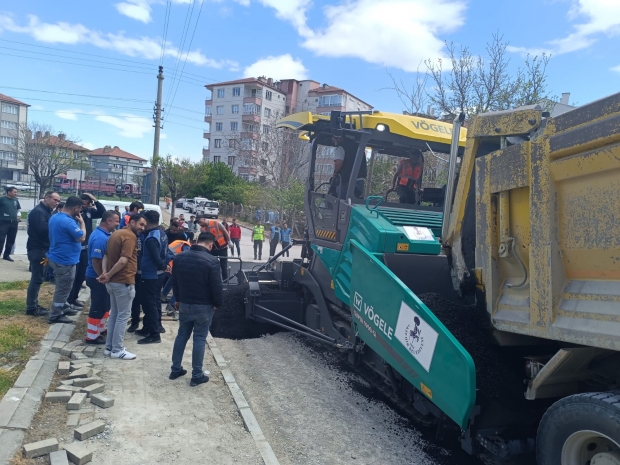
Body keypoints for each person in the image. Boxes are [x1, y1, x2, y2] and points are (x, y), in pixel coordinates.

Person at [169, 232, 223, 386]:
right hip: (203, 306)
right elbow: (216, 286)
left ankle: (175, 369)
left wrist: (177, 299)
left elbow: (174, 281)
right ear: (210, 244)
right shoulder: (212, 261)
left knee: (181, 335)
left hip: (185, 303)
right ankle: (196, 375)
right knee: (199, 339)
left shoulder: (179, 257)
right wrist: (218, 303)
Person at [97, 213, 146, 360]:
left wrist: (105, 273)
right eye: (141, 224)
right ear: (132, 222)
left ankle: (109, 347)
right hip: (123, 281)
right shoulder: (130, 236)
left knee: (115, 314)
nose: (143, 228)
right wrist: (108, 275)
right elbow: (123, 260)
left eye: (144, 225)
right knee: (123, 316)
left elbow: (105, 256)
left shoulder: (115, 233)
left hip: (113, 282)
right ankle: (117, 349)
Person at [47, 196, 87, 324]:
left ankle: (63, 306)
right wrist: (82, 223)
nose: (80, 212)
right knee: (63, 288)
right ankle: (56, 314)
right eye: (80, 209)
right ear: (76, 208)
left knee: (63, 286)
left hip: (57, 256)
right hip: (65, 260)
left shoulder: (55, 217)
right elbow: (81, 237)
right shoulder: (68, 221)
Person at [84, 210, 119, 344]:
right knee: (98, 306)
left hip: (101, 277)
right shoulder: (100, 238)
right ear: (108, 221)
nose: (118, 224)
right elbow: (96, 260)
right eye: (116, 221)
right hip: (96, 277)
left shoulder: (104, 235)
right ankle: (91, 336)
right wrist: (102, 276)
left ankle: (100, 328)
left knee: (105, 304)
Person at [135, 210, 169, 344]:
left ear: (147, 220)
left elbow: (156, 258)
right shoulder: (161, 233)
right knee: (153, 302)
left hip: (151, 275)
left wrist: (164, 266)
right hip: (157, 275)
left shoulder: (151, 238)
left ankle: (154, 334)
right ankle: (148, 327)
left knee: (149, 304)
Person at [67, 193, 106, 310]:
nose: (85, 204)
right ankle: (68, 301)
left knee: (80, 277)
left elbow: (102, 213)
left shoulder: (89, 211)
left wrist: (95, 200)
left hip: (85, 250)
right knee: (72, 277)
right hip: (75, 249)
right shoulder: (74, 213)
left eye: (87, 202)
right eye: (83, 202)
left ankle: (74, 298)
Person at [26, 191, 61, 316]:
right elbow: (43, 230)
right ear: (46, 198)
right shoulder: (39, 211)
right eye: (55, 200)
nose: (57, 203)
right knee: (37, 278)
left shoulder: (47, 211)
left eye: (58, 201)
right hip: (38, 249)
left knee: (39, 278)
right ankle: (31, 307)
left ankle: (34, 304)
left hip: (43, 248)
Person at [162, 238, 192, 318]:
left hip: (166, 262)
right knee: (180, 285)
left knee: (172, 279)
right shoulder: (187, 246)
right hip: (171, 263)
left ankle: (163, 294)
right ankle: (171, 305)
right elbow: (186, 258)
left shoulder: (180, 242)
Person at [331, 135, 367, 200]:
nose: (334, 143)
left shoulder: (341, 147)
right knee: (355, 202)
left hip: (346, 182)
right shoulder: (359, 147)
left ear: (339, 138)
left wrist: (335, 172)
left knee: (342, 203)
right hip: (360, 182)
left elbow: (339, 163)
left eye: (334, 140)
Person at [197, 216, 230, 280]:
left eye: (200, 222)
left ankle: (225, 281)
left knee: (224, 266)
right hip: (212, 249)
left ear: (204, 219)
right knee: (212, 265)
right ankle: (214, 280)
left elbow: (225, 231)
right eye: (198, 223)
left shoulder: (216, 223)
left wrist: (229, 241)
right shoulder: (202, 229)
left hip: (222, 247)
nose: (200, 224)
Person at [0, 186, 21, 262]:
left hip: (14, 222)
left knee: (11, 239)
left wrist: (18, 215)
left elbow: (18, 209)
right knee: (1, 239)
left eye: (16, 192)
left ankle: (6, 255)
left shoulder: (16, 200)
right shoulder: (2, 199)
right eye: (14, 192)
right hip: (4, 222)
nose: (16, 193)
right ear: (9, 192)